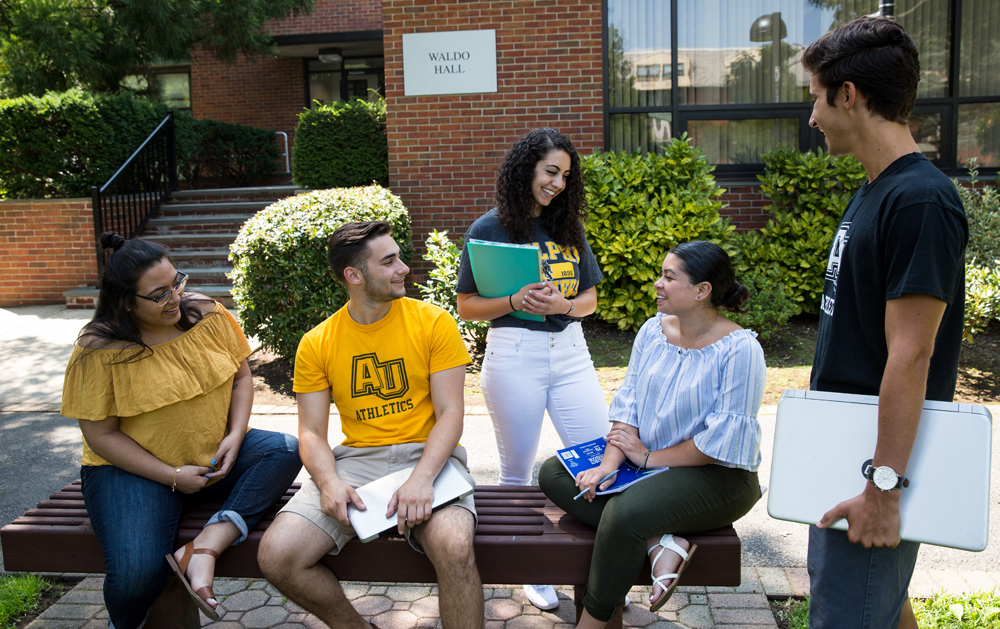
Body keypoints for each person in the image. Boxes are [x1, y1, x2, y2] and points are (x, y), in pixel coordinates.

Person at [801, 17, 968, 629]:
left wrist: (883, 490)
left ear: (849, 95)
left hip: (870, 467)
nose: (812, 118)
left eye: (816, 99)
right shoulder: (876, 191)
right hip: (845, 456)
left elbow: (913, 356)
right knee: (881, 608)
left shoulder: (920, 201)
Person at [60, 233, 302, 628]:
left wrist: (235, 436)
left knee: (285, 449)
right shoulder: (98, 348)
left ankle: (205, 545)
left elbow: (242, 378)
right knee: (137, 574)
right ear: (125, 301)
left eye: (177, 282)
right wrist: (171, 476)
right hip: (132, 472)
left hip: (209, 457)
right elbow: (100, 436)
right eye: (158, 294)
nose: (175, 297)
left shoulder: (207, 313)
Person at [257, 221, 483, 629]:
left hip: (428, 455)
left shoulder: (433, 323)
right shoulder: (317, 342)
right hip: (357, 462)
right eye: (389, 261)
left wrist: (422, 478)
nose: (403, 269)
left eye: (399, 257)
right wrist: (327, 482)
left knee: (454, 545)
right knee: (278, 555)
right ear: (354, 276)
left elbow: (451, 415)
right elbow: (310, 431)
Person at [538, 241, 766, 628]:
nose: (657, 284)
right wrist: (610, 465)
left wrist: (646, 457)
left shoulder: (739, 349)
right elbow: (628, 403)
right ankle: (658, 541)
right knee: (554, 473)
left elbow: (721, 442)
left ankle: (592, 621)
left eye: (669, 277)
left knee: (624, 515)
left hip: (717, 476)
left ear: (702, 290)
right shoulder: (652, 331)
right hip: (648, 465)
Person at [456, 127, 610, 610]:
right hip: (514, 353)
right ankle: (532, 571)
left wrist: (564, 304)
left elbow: (591, 299)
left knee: (599, 460)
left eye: (565, 175)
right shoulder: (488, 229)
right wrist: (513, 299)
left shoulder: (569, 228)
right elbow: (466, 305)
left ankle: (600, 571)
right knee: (517, 475)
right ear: (527, 169)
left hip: (570, 354)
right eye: (551, 172)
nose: (558, 184)